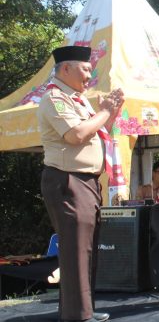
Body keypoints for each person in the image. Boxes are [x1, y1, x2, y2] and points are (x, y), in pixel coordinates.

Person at [38, 45, 123, 322]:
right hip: (67, 179)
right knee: (75, 248)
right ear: (66, 69)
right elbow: (76, 134)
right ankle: (77, 315)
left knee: (87, 247)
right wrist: (105, 111)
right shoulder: (55, 97)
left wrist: (112, 112)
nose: (90, 75)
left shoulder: (79, 100)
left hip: (86, 181)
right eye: (85, 69)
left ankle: (82, 310)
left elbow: (100, 132)